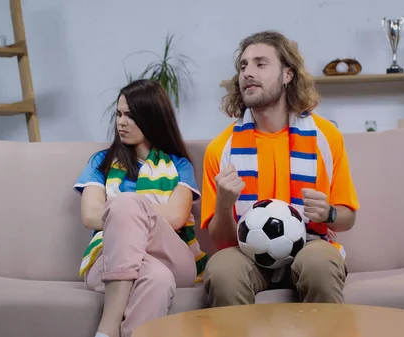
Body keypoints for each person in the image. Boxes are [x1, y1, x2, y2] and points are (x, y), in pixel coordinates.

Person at [200, 31, 360, 307]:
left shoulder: (326, 137)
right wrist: (225, 204)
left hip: (311, 246)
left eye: (260, 64)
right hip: (247, 253)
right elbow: (222, 241)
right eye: (243, 66)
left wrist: (329, 212)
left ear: (288, 74)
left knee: (320, 265)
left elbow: (347, 218)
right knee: (222, 270)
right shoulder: (220, 149)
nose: (248, 72)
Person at [74, 79, 208, 337]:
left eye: (131, 116)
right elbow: (90, 215)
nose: (121, 122)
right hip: (108, 260)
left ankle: (107, 329)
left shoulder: (179, 166)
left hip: (172, 258)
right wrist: (130, 223)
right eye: (119, 114)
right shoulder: (101, 162)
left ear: (152, 118)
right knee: (156, 279)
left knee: (125, 203)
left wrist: (129, 215)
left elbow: (177, 216)